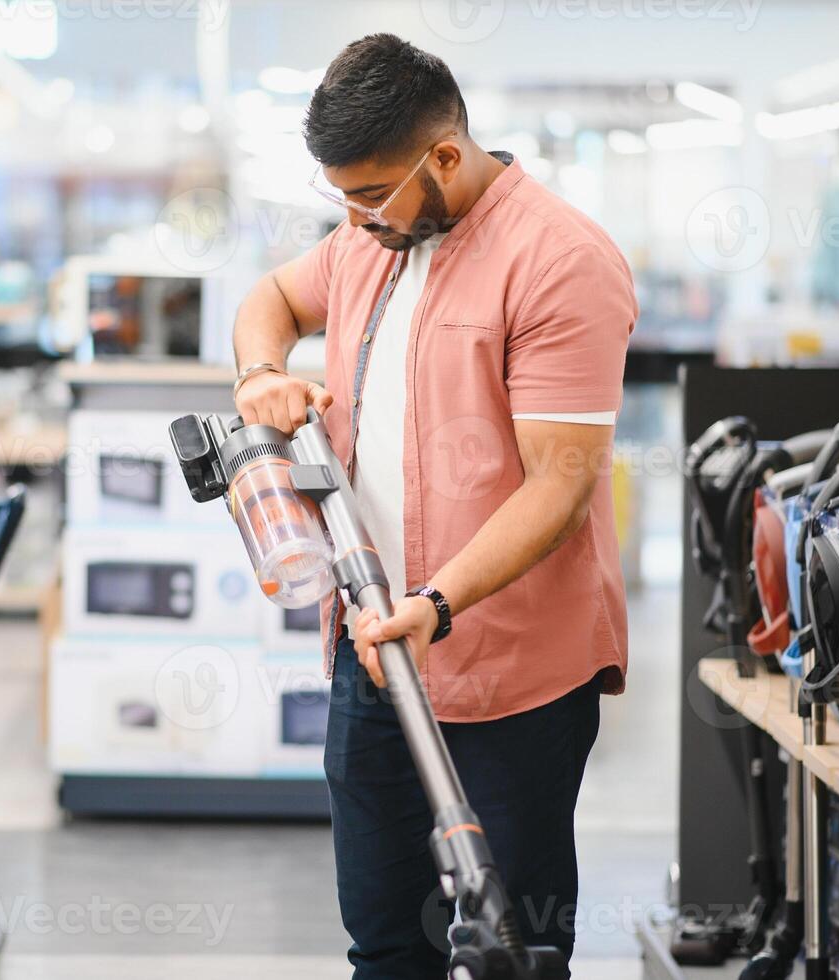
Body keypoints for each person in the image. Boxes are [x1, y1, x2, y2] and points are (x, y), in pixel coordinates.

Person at [230, 33, 637, 979]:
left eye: (370, 193)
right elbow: (270, 300)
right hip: (372, 650)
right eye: (342, 198)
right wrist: (262, 373)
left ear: (444, 157)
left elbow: (561, 481)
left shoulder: (559, 261)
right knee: (384, 940)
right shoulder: (368, 242)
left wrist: (440, 604)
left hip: (510, 673)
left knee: (511, 947)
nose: (355, 218)